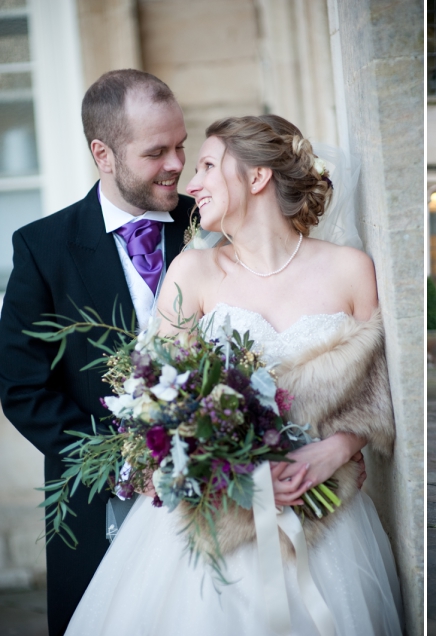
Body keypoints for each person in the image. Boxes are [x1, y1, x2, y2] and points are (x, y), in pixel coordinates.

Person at [65, 115, 404, 635]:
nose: (190, 182)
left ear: (257, 177)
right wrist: (236, 471)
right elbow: (157, 401)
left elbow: (374, 394)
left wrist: (334, 451)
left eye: (205, 165)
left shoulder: (350, 269)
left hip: (326, 512)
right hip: (217, 517)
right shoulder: (192, 273)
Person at [0, 69, 195, 636]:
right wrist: (125, 463)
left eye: (182, 145)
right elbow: (23, 389)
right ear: (102, 154)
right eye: (156, 151)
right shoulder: (41, 248)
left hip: (215, 489)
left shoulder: (210, 226)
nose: (177, 165)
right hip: (99, 503)